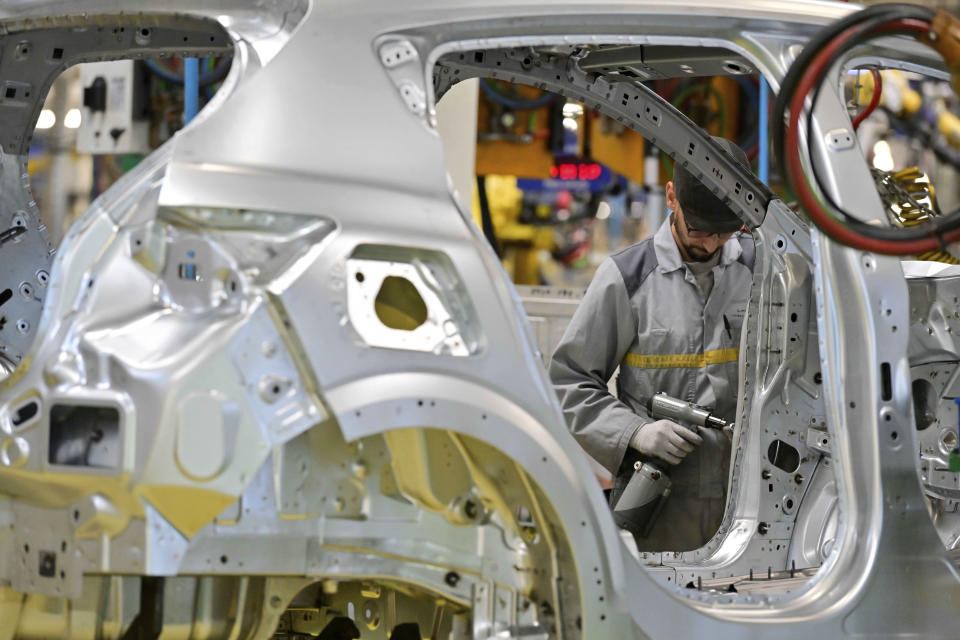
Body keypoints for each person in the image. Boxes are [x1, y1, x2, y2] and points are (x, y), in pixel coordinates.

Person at [549, 137, 754, 551]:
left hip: (749, 501)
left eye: (725, 232)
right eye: (698, 230)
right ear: (672, 198)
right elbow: (569, 382)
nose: (712, 244)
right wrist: (636, 433)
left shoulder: (765, 273)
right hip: (659, 504)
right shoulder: (626, 279)